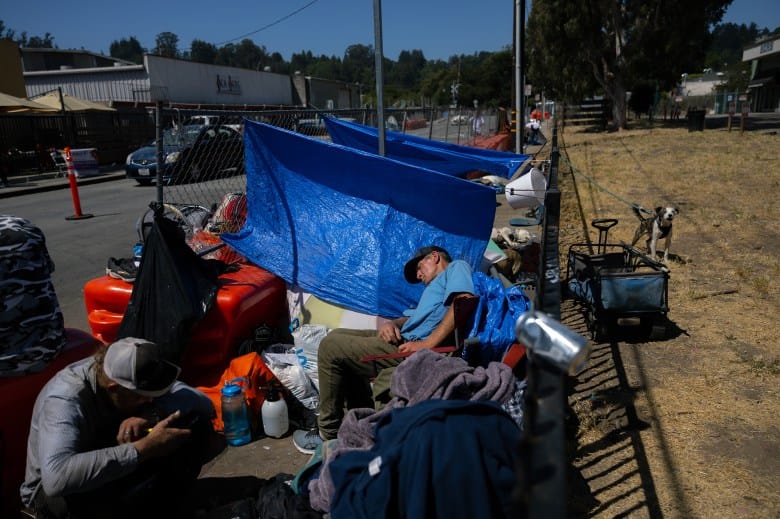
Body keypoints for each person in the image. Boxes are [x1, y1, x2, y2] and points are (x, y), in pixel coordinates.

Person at [292, 245, 475, 454]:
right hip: (404, 338)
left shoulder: (456, 268)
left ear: (434, 257)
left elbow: (464, 300)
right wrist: (393, 324)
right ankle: (360, 421)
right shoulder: (433, 289)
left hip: (417, 350)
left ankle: (327, 434)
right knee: (335, 336)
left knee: (330, 347)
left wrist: (427, 344)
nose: (418, 274)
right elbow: (411, 318)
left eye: (419, 267)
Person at [20, 337, 217, 519]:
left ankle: (164, 506)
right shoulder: (65, 399)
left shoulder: (128, 375)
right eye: (140, 395)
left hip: (109, 459)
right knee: (85, 497)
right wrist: (142, 449)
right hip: (54, 498)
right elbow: (56, 478)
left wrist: (150, 414)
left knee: (194, 424)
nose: (148, 399)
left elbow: (203, 404)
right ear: (114, 388)